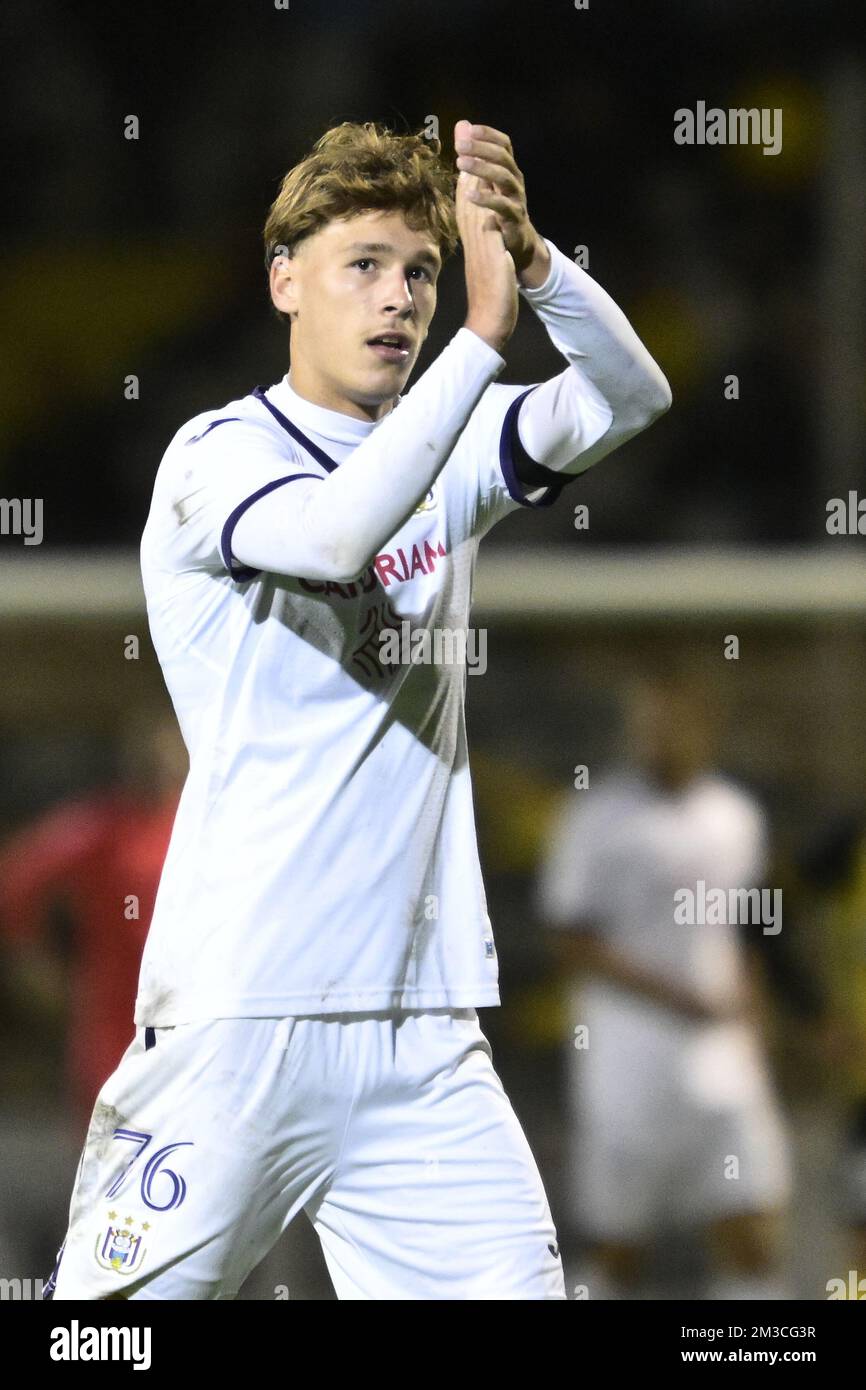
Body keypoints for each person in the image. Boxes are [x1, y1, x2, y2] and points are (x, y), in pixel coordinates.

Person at [46, 117, 671, 1301]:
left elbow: (631, 397)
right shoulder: (212, 458)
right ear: (285, 280)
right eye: (364, 266)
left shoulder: (447, 437)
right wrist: (482, 343)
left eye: (423, 272)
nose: (399, 298)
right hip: (241, 1021)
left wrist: (536, 270)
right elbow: (337, 535)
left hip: (422, 1031)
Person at [536, 666, 793, 1300]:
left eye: (670, 722)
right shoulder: (597, 816)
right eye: (644, 723)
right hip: (627, 1062)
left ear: (704, 728)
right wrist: (676, 995)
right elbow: (571, 939)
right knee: (620, 1248)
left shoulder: (734, 816)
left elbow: (743, 937)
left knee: (753, 1233)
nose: (656, 736)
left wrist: (759, 1033)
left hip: (722, 1058)